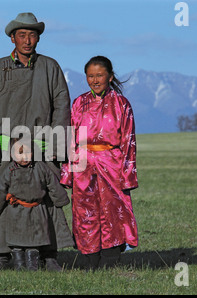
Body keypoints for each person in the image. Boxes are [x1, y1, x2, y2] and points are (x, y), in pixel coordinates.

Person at [0, 12, 74, 271]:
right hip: (5, 144)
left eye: (32, 35)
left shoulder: (50, 67)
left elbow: (62, 106)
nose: (28, 40)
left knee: (46, 198)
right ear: (13, 38)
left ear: (38, 38)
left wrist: (57, 146)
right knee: (0, 196)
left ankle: (48, 254)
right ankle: (1, 255)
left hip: (43, 144)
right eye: (22, 35)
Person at [60, 56, 139, 270]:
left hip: (111, 165)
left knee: (112, 212)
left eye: (100, 75)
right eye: (91, 76)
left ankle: (110, 260)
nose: (95, 80)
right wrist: (67, 172)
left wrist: (128, 174)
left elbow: (129, 141)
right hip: (83, 164)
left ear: (110, 76)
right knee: (85, 212)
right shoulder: (79, 103)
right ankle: (89, 260)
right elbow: (70, 139)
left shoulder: (121, 104)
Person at [0, 137, 70, 271]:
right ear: (12, 154)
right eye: (20, 153)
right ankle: (19, 264)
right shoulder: (10, 171)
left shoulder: (40, 168)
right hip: (16, 211)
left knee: (34, 239)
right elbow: (0, 190)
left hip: (37, 211)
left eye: (27, 153)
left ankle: (33, 266)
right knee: (17, 240)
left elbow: (51, 183)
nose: (24, 157)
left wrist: (60, 199)